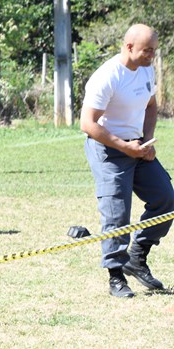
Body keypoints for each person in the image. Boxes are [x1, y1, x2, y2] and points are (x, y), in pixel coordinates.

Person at [80, 23, 174, 298]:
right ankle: (116, 276)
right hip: (108, 150)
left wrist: (146, 141)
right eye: (148, 51)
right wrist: (124, 146)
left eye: (154, 51)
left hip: (137, 147)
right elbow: (87, 124)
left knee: (166, 200)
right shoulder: (107, 76)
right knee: (117, 213)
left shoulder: (146, 70)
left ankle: (137, 256)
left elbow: (151, 105)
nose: (152, 56)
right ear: (129, 46)